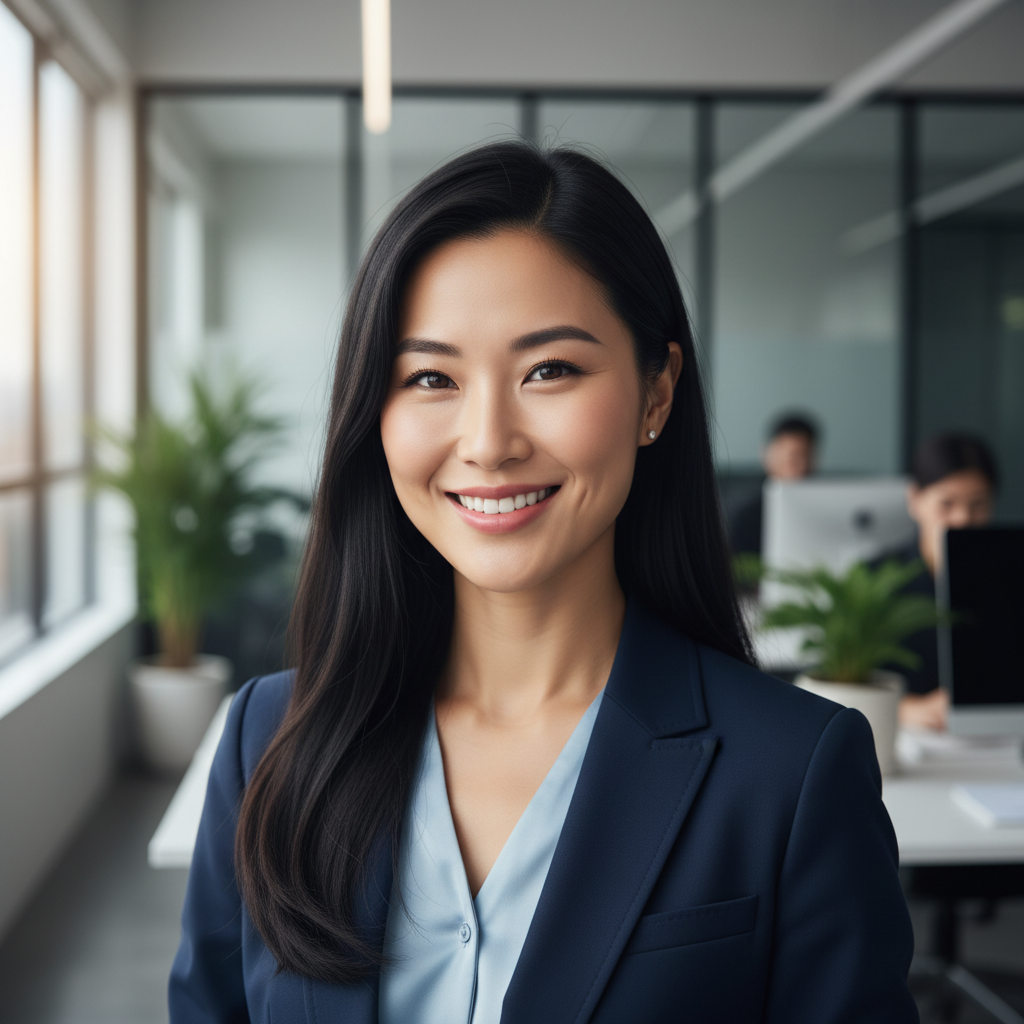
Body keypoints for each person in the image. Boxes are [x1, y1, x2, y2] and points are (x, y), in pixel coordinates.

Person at [169, 142, 916, 1023]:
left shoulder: (790, 773)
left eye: (550, 370)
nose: (489, 441)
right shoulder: (270, 741)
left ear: (655, 394)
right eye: (430, 377)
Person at [886, 433, 998, 731]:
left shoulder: (1006, 579)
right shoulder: (877, 579)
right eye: (946, 504)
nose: (962, 519)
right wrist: (905, 708)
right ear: (915, 500)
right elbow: (841, 681)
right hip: (914, 741)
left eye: (978, 505)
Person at [728, 413, 819, 557]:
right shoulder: (747, 517)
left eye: (807, 456)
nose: (801, 467)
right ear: (767, 454)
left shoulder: (823, 510)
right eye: (793, 457)